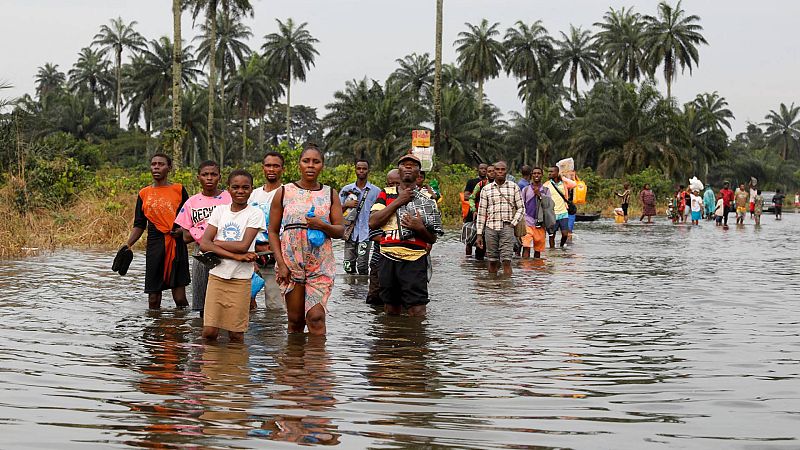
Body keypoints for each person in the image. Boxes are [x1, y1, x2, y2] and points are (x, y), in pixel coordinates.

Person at [269, 144, 344, 336]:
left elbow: (340, 231)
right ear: (299, 165)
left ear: (322, 166)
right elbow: (273, 231)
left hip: (320, 265)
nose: (311, 165)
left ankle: (317, 364)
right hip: (290, 263)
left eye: (316, 162)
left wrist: (322, 225)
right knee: (295, 322)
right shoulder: (284, 192)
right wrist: (281, 264)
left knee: (316, 317)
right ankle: (294, 363)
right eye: (306, 161)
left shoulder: (330, 194)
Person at [368, 154, 443, 317]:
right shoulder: (385, 193)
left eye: (413, 165)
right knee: (390, 309)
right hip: (388, 258)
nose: (408, 167)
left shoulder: (428, 198)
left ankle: (416, 341)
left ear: (419, 173)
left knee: (418, 310)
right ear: (399, 170)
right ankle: (393, 339)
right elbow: (373, 222)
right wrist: (398, 201)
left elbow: (432, 238)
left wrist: (419, 228)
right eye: (404, 164)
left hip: (415, 260)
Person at [199, 170, 265, 342]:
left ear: (252, 189)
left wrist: (217, 242)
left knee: (236, 334)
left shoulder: (255, 214)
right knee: (209, 332)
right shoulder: (220, 211)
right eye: (235, 187)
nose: (240, 191)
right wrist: (236, 257)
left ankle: (234, 367)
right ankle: (213, 367)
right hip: (217, 276)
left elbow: (244, 245)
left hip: (241, 279)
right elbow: (204, 244)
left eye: (245, 187)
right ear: (228, 189)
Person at [123, 153, 190, 310]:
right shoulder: (144, 193)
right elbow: (139, 224)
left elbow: (189, 218)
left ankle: (181, 329)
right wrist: (128, 244)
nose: (156, 167)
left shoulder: (179, 190)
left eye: (161, 164)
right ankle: (154, 330)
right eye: (153, 164)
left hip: (176, 244)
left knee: (180, 298)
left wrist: (182, 231)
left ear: (169, 168)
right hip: (155, 246)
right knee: (153, 299)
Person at [174, 160, 232, 316]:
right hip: (202, 253)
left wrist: (198, 231)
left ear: (219, 177)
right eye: (205, 174)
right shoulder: (192, 202)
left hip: (227, 248)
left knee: (227, 297)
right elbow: (185, 236)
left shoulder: (229, 198)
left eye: (213, 174)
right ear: (198, 177)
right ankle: (204, 335)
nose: (209, 178)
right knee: (202, 299)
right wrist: (203, 234)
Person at [248, 151, 285, 310]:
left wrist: (274, 248)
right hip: (252, 255)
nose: (271, 169)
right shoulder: (252, 194)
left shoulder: (287, 193)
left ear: (282, 169)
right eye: (268, 165)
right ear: (262, 168)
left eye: (276, 166)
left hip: (277, 257)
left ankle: (273, 335)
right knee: (247, 303)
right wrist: (253, 248)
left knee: (275, 307)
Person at [475, 161, 523, 276]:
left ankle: (506, 288)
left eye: (503, 169)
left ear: (506, 171)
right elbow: (481, 213)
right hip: (490, 228)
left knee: (507, 260)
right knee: (492, 261)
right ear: (493, 171)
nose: (500, 172)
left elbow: (521, 208)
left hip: (507, 227)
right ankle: (493, 288)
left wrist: (513, 223)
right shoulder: (486, 189)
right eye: (497, 169)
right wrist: (479, 234)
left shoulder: (513, 187)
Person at [366, 169, 401, 306]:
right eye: (390, 184)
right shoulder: (380, 203)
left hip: (402, 261)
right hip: (379, 260)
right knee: (376, 299)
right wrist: (397, 239)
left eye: (397, 184)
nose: (394, 187)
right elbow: (373, 233)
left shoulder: (409, 202)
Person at [339, 159, 379, 275]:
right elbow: (336, 212)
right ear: (355, 170)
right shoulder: (346, 190)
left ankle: (361, 291)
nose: (361, 171)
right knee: (347, 265)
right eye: (359, 168)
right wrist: (346, 205)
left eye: (364, 168)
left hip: (366, 234)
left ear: (368, 171)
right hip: (349, 233)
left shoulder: (376, 191)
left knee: (362, 266)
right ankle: (350, 291)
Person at [520, 167, 551, 259]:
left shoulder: (546, 190)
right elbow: (521, 205)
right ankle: (525, 269)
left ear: (542, 175)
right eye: (534, 173)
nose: (536, 175)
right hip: (527, 222)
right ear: (531, 175)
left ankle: (537, 269)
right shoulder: (525, 190)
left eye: (538, 173)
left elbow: (549, 205)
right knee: (526, 247)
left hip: (540, 224)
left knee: (538, 250)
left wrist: (539, 195)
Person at [468, 164, 495, 260]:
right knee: (479, 243)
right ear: (486, 174)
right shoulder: (481, 184)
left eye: (493, 171)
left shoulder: (503, 186)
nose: (492, 173)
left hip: (496, 219)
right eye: (489, 171)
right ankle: (479, 267)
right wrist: (474, 210)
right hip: (482, 218)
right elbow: (471, 198)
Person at [547, 166, 576, 247]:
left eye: (552, 171)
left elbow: (574, 184)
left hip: (563, 213)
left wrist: (562, 177)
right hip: (552, 214)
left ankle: (561, 247)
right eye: (549, 171)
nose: (550, 173)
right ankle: (552, 251)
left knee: (565, 234)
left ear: (557, 173)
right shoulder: (547, 184)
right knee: (552, 235)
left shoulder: (564, 183)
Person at [463, 163, 487, 257]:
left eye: (485, 169)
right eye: (481, 168)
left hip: (485, 213)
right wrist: (477, 196)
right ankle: (468, 258)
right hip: (472, 213)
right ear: (478, 169)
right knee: (468, 239)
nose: (483, 170)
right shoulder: (472, 182)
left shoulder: (490, 183)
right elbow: (466, 196)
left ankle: (481, 260)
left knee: (484, 237)